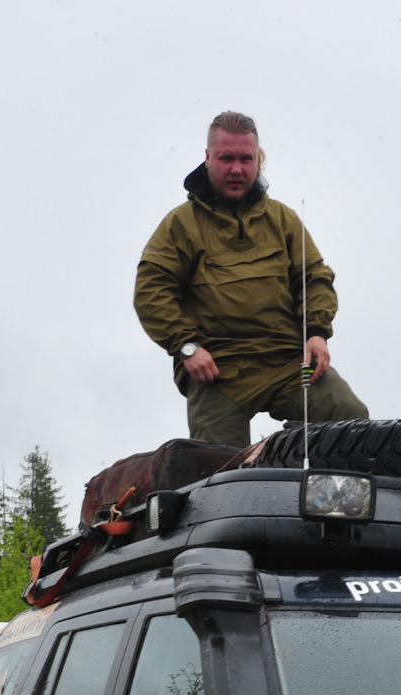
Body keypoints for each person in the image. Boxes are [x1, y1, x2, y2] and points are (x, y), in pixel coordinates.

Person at [135, 110, 370, 447]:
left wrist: (317, 333)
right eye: (226, 158)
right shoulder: (180, 224)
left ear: (257, 159)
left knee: (353, 421)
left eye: (246, 159)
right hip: (217, 371)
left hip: (287, 360)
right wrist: (187, 347)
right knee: (217, 471)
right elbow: (151, 290)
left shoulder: (282, 219)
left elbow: (313, 276)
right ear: (207, 158)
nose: (236, 169)